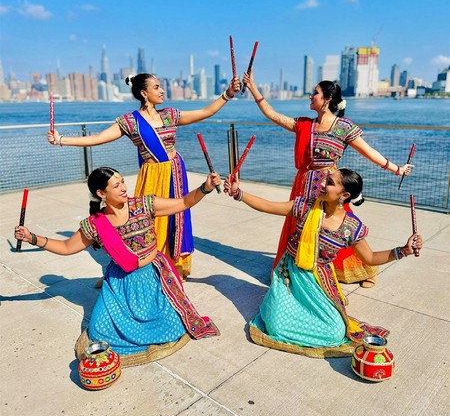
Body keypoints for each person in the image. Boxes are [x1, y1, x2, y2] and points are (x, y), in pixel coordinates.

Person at [14, 167, 222, 367]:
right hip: (121, 283)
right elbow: (67, 247)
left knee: (173, 326)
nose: (124, 187)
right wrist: (32, 237)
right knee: (98, 331)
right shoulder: (95, 224)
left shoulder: (144, 204)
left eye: (122, 181)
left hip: (153, 276)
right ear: (101, 193)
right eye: (116, 185)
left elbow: (184, 202)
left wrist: (205, 187)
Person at [48, 73, 241, 280]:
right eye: (156, 87)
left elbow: (205, 112)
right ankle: (147, 264)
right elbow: (98, 138)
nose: (161, 90)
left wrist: (227, 94)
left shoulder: (169, 115)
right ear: (144, 93)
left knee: (177, 216)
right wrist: (61, 140)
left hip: (175, 172)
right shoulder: (130, 121)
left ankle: (172, 263)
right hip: (152, 175)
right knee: (145, 220)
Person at [241, 70, 414, 288]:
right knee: (301, 227)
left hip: (330, 186)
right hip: (304, 183)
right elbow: (273, 115)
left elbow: (368, 151)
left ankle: (366, 269)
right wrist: (253, 87)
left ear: (326, 100)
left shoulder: (343, 127)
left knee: (338, 229)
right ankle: (299, 268)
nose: (310, 96)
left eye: (315, 93)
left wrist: (397, 169)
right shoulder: (306, 125)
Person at [224, 168, 422, 358]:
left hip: (318, 280)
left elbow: (370, 258)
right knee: (274, 325)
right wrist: (239, 193)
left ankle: (301, 313)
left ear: (344, 195)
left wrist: (403, 251)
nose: (323, 183)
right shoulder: (306, 206)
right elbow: (269, 206)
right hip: (289, 276)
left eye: (330, 182)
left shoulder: (350, 227)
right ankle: (287, 308)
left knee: (335, 333)